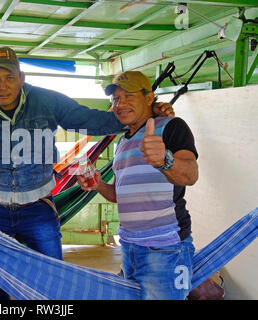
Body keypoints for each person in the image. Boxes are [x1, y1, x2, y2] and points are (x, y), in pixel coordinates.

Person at [0, 47, 175, 300]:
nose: (2, 86)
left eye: (10, 77)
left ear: (22, 77)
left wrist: (146, 114)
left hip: (38, 207)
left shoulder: (47, 101)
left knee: (53, 278)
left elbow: (90, 120)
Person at [78, 70, 198, 300]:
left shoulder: (171, 127)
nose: (120, 104)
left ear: (149, 97)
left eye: (128, 96)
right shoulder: (122, 142)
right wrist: (98, 185)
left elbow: (190, 175)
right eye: (115, 99)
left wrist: (165, 160)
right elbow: (119, 196)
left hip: (165, 248)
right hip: (129, 248)